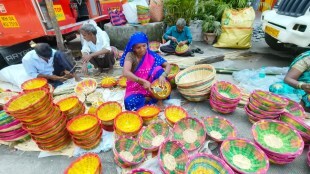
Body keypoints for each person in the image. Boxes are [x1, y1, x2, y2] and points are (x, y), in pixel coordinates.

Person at [120, 32, 171, 111]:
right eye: (138, 47)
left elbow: (168, 65)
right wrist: (142, 81)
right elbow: (125, 72)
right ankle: (148, 99)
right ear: (133, 48)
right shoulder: (130, 55)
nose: (142, 49)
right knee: (129, 103)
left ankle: (158, 99)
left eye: (144, 46)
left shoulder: (151, 54)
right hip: (136, 86)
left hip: (153, 86)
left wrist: (163, 75)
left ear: (147, 44)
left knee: (158, 70)